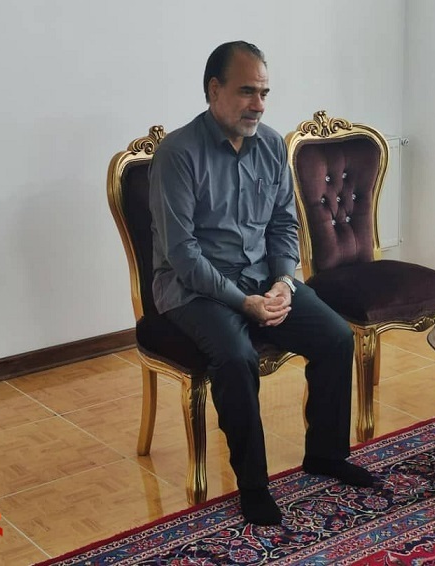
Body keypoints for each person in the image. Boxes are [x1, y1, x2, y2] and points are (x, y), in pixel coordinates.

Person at [148, 40, 374, 526]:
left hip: (261, 281)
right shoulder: (177, 155)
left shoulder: (271, 145)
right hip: (193, 291)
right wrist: (244, 303)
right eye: (247, 91)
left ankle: (326, 455)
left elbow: (283, 226)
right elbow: (183, 255)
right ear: (214, 90)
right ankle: (253, 485)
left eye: (264, 93)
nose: (259, 104)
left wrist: (284, 283)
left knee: (336, 337)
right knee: (235, 358)